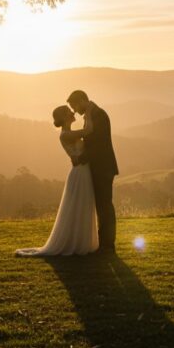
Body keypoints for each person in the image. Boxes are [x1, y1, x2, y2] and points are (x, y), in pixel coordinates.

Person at [15, 105, 99, 256]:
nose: (72, 112)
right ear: (64, 117)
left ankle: (81, 241)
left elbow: (85, 133)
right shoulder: (65, 135)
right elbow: (88, 131)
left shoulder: (69, 133)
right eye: (69, 111)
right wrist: (88, 112)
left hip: (83, 171)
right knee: (79, 207)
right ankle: (76, 243)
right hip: (79, 173)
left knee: (83, 206)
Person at [67, 90, 118, 254]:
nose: (74, 111)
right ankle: (104, 244)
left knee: (104, 206)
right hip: (98, 167)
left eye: (74, 106)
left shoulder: (99, 115)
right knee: (101, 206)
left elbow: (97, 145)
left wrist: (80, 158)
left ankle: (107, 245)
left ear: (82, 100)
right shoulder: (92, 115)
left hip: (103, 167)